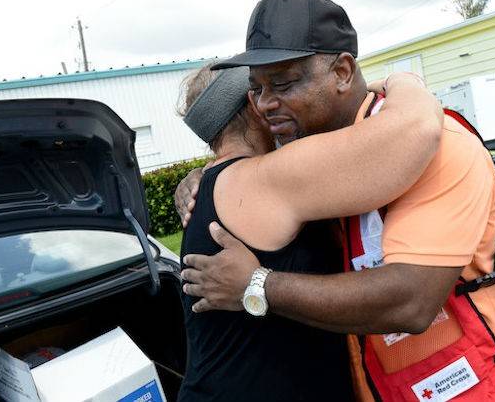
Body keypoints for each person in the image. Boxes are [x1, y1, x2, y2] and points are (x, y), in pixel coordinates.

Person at [177, 0, 495, 401]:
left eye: (283, 84)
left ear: (342, 72)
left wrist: (258, 285)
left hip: (478, 386)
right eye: (256, 89)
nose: (266, 104)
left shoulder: (436, 146)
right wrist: (210, 177)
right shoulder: (315, 164)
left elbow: (410, 302)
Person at [176, 60, 443, 402]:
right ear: (254, 105)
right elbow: (415, 131)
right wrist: (405, 82)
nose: (278, 102)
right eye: (267, 89)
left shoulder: (215, 183)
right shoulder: (269, 177)